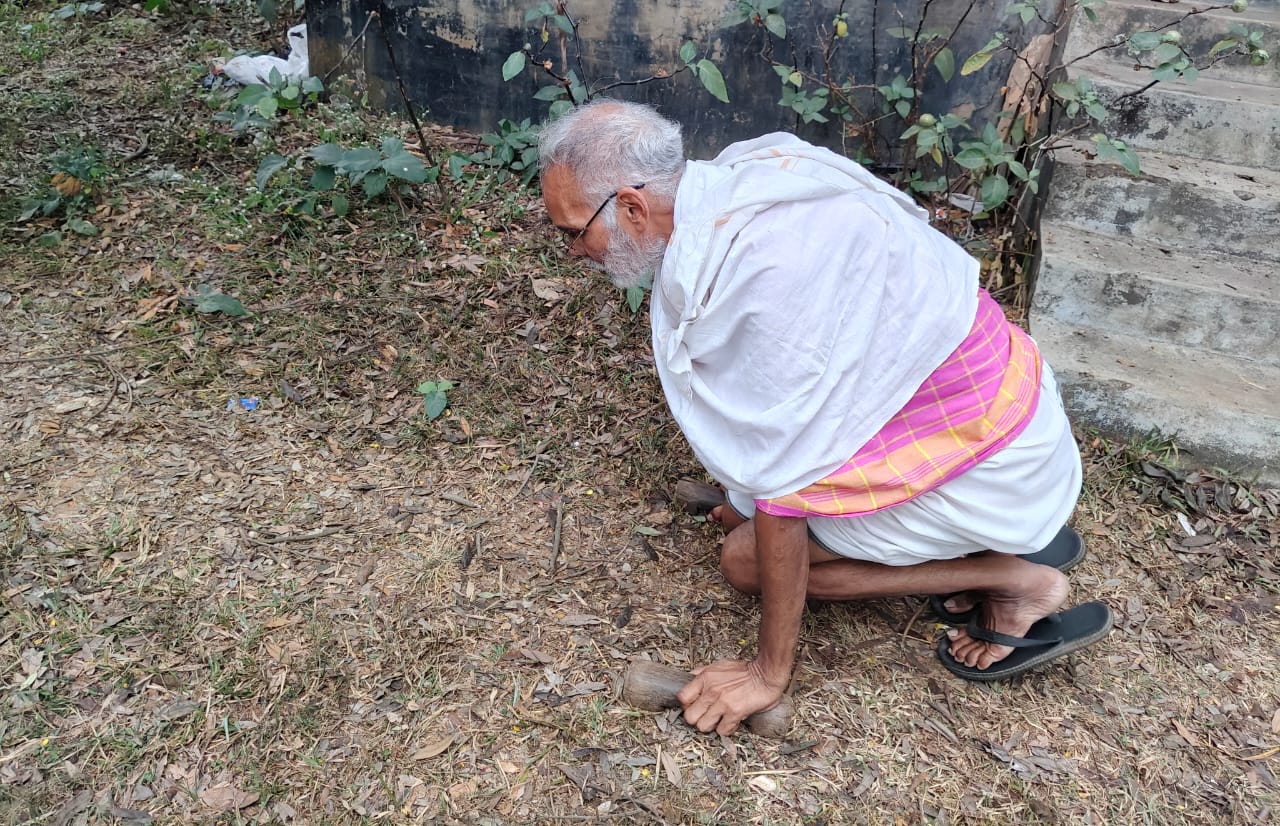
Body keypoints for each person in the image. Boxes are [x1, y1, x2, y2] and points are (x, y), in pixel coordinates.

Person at [537, 99, 1112, 736]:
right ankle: (977, 545)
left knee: (744, 561)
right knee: (748, 512)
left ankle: (1011, 577)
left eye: (571, 231)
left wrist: (767, 673)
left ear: (632, 207)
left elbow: (787, 478)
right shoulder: (749, 172)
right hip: (989, 415)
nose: (572, 251)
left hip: (987, 464)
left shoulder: (765, 273)